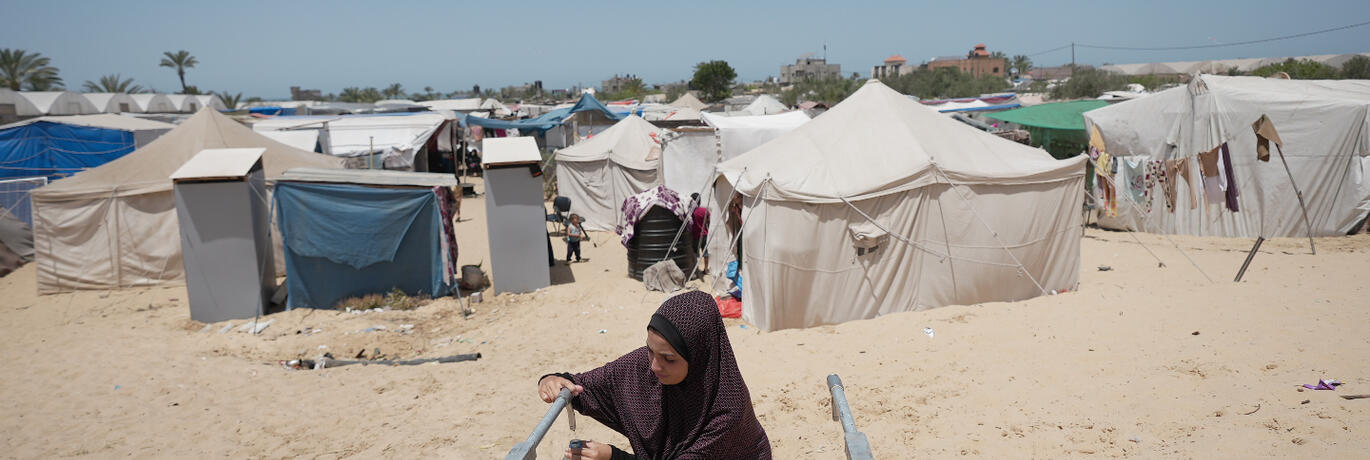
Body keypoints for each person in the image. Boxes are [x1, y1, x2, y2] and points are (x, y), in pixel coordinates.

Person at [537, 291, 772, 459]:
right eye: (650, 350)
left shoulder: (725, 414)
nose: (654, 366)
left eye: (669, 359)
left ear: (700, 358)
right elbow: (584, 386)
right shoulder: (643, 364)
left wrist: (612, 456)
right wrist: (553, 380)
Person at [688, 193, 709, 275]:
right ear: (700, 201)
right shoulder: (705, 211)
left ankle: (696, 270)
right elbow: (709, 222)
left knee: (694, 254)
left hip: (695, 236)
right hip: (705, 235)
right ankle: (706, 269)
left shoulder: (691, 213)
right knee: (706, 253)